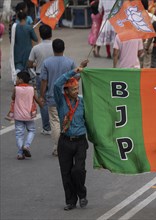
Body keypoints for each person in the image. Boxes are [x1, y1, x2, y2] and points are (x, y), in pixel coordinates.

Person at [54, 60, 89, 211]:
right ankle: (71, 201)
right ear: (66, 91)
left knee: (78, 170)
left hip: (80, 141)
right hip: (65, 141)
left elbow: (89, 120)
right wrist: (75, 71)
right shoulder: (61, 101)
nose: (76, 91)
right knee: (66, 173)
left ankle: (82, 194)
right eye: (73, 89)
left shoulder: (82, 102)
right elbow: (56, 84)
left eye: (77, 88)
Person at [40, 39, 76, 157]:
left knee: (55, 123)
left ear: (53, 49)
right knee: (66, 121)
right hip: (67, 98)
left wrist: (42, 95)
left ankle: (57, 148)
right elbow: (77, 77)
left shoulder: (46, 62)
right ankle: (69, 147)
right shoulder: (70, 62)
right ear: (64, 48)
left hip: (52, 97)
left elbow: (44, 81)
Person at [28, 24, 53, 135]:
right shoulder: (55, 46)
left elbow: (29, 64)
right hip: (53, 75)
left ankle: (46, 128)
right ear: (51, 34)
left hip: (40, 76)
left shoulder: (36, 48)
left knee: (42, 100)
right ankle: (57, 124)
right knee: (55, 99)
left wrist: (36, 63)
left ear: (40, 35)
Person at [12, 71, 42, 160]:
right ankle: (26, 146)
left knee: (19, 134)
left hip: (18, 115)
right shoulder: (32, 89)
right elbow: (36, 99)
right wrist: (42, 105)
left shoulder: (16, 88)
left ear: (21, 80)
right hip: (29, 115)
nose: (16, 80)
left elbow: (13, 97)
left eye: (17, 78)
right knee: (31, 130)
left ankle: (20, 153)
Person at [10, 11, 38, 84]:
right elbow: (35, 39)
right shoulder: (29, 28)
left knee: (18, 65)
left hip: (17, 50)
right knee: (28, 66)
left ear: (18, 18)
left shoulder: (14, 27)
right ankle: (30, 79)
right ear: (26, 18)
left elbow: (12, 38)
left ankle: (17, 79)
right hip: (27, 50)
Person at [140, 0, 156, 68]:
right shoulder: (153, 17)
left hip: (139, 43)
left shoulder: (135, 17)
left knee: (139, 64)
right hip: (150, 43)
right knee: (147, 64)